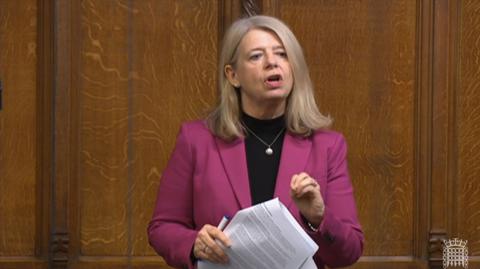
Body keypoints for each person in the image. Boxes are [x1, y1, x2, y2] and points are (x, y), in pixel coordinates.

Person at [148, 15, 363, 269]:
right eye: (256, 56)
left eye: (282, 54)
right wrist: (194, 242)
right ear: (233, 75)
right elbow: (162, 228)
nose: (272, 62)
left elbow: (349, 252)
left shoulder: (328, 146)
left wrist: (318, 217)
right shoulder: (195, 140)